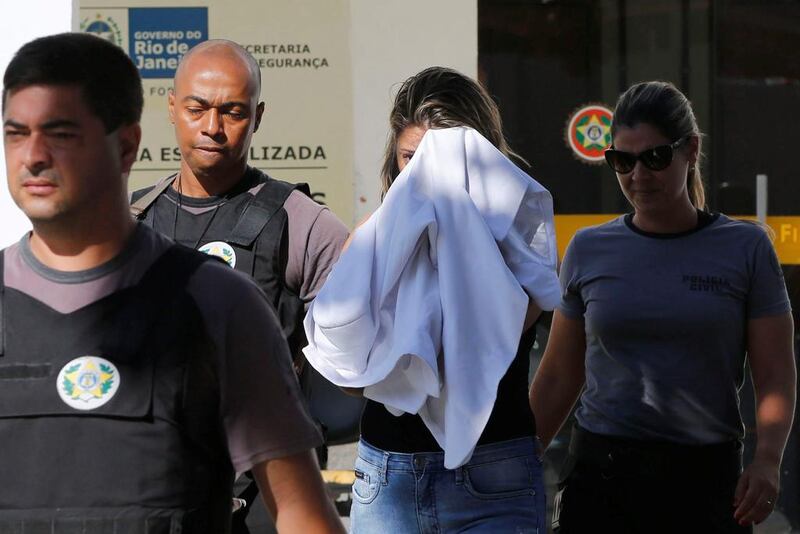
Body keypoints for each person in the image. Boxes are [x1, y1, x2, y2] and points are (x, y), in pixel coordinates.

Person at [0, 32, 344, 533]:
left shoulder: (233, 292)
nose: (34, 155)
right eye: (15, 132)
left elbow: (303, 511)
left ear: (126, 145)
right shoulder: (145, 212)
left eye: (62, 133)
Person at [530, 80, 796, 533]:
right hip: (602, 478)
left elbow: (774, 372)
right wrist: (517, 463)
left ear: (690, 149)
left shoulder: (745, 248)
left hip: (705, 484)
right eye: (622, 161)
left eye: (655, 158)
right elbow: (558, 375)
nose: (638, 175)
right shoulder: (588, 249)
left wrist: (768, 459)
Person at [128, 40, 357, 530]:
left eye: (232, 111)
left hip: (265, 494)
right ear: (171, 107)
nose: (213, 127)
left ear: (258, 116)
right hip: (153, 488)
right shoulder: (129, 222)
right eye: (197, 109)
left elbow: (361, 347)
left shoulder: (299, 222)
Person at [327, 66, 559, 533]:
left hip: (492, 468)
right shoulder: (369, 245)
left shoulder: (519, 244)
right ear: (393, 159)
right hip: (389, 473)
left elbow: (485, 347)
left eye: (439, 163)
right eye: (410, 159)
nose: (420, 177)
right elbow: (350, 377)